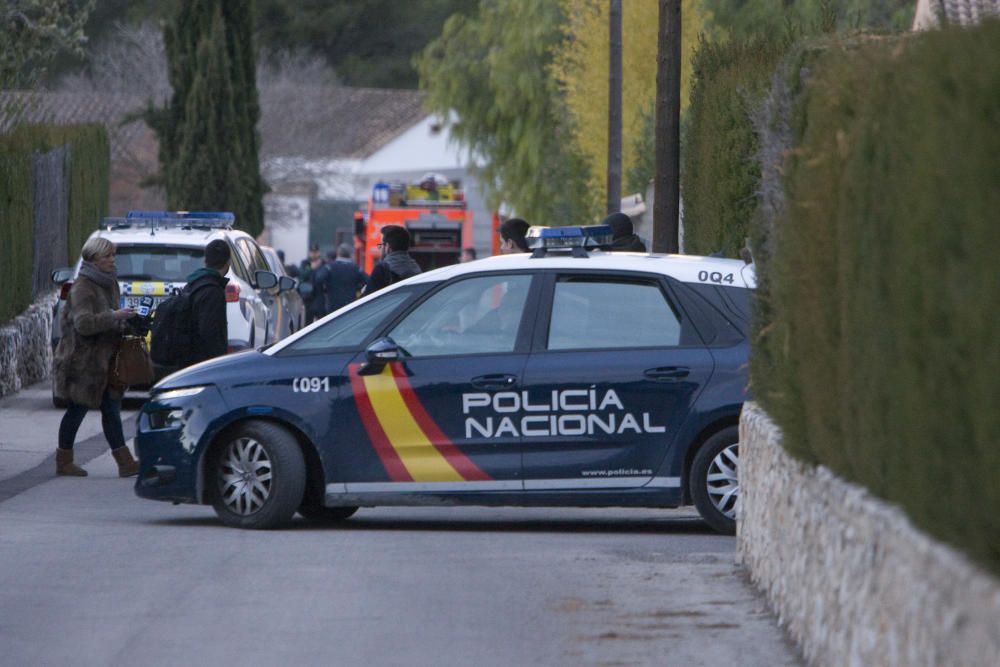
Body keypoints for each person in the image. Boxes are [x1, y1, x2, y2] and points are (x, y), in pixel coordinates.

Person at [52, 237, 139, 477]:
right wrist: (115, 316)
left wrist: (126, 321)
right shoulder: (83, 287)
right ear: (93, 260)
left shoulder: (109, 283)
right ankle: (64, 460)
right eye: (107, 256)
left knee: (111, 410)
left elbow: (110, 318)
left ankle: (125, 463)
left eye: (113, 255)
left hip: (106, 359)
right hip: (83, 362)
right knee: (77, 410)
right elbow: (83, 324)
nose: (112, 260)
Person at [184, 239, 231, 365]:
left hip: (188, 361)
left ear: (205, 261)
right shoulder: (213, 291)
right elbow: (210, 334)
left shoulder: (192, 284)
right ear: (228, 262)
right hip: (204, 365)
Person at [314, 243, 369, 316]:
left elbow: (319, 278)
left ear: (338, 253)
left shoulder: (329, 267)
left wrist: (323, 291)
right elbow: (369, 281)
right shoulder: (356, 268)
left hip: (333, 307)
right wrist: (360, 292)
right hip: (350, 306)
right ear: (350, 254)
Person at [367, 225, 421, 293]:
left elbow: (368, 298)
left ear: (388, 246)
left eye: (382, 245)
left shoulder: (382, 269)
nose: (381, 248)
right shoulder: (416, 268)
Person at [298, 243, 325, 322]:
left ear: (319, 252)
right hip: (308, 296)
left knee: (321, 320)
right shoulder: (305, 262)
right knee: (308, 320)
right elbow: (301, 275)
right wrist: (311, 269)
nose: (314, 254)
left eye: (316, 252)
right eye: (312, 252)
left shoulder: (323, 262)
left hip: (320, 294)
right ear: (309, 253)